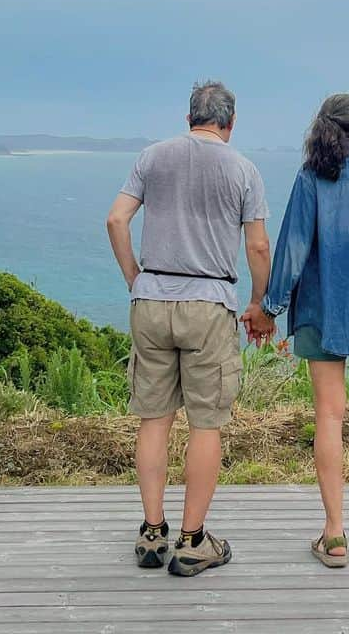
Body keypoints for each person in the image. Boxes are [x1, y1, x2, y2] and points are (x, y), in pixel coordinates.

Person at [243, 93, 349, 567]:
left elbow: (293, 250)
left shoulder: (309, 177)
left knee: (329, 418)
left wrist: (268, 309)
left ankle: (334, 534)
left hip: (323, 310)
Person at [106, 80, 271, 576]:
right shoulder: (244, 169)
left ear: (188, 118)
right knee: (206, 423)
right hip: (209, 303)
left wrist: (136, 278)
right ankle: (193, 540)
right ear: (231, 122)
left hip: (152, 300)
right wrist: (260, 303)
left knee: (154, 419)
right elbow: (258, 248)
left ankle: (153, 533)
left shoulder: (152, 157)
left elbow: (117, 220)